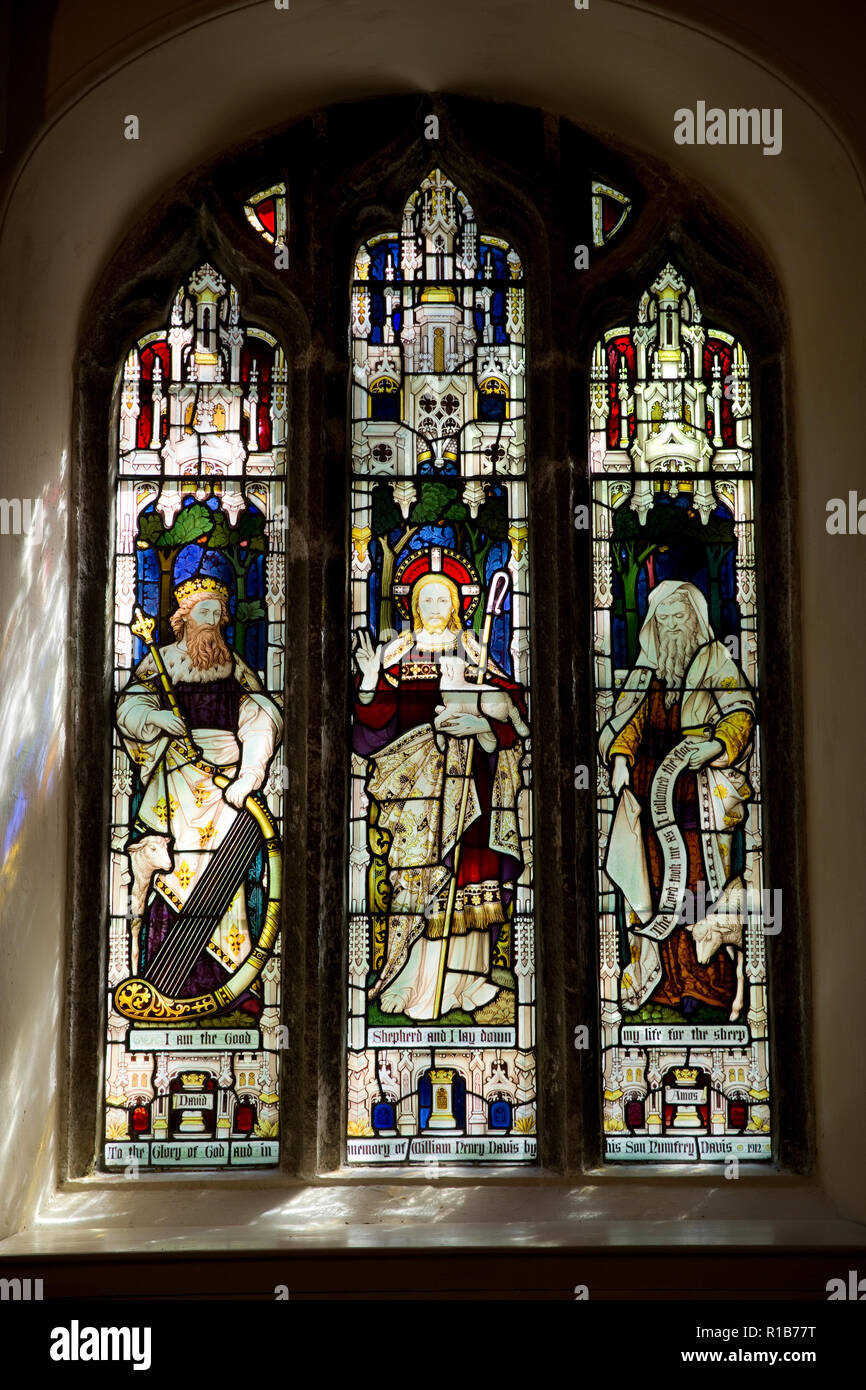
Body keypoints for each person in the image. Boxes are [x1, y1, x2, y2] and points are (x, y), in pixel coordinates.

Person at [353, 570, 529, 1022]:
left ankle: (468, 981)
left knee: (469, 878)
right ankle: (411, 979)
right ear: (413, 607)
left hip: (470, 789)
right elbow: (375, 725)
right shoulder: (397, 654)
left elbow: (514, 717)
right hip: (417, 793)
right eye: (424, 600)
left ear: (456, 606)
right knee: (418, 880)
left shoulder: (476, 651)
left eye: (441, 600)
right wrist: (371, 681)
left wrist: (485, 729)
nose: (433, 608)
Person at [116, 578, 282, 1009]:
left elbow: (262, 711)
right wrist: (155, 717)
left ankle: (231, 984)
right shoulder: (163, 659)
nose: (213, 621)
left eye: (218, 613)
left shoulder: (233, 666)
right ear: (183, 616)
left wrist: (250, 772)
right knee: (173, 876)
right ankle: (164, 982)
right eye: (204, 612)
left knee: (225, 882)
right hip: (175, 782)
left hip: (226, 785)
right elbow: (128, 707)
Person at [598, 579, 755, 1016]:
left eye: (677, 616)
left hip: (696, 787)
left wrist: (718, 744)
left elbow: (741, 711)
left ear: (694, 619)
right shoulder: (646, 673)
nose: (670, 627)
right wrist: (621, 758)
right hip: (651, 790)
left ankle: (705, 984)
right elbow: (628, 721)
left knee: (695, 881)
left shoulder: (715, 660)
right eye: (662, 618)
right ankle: (661, 980)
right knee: (652, 877)